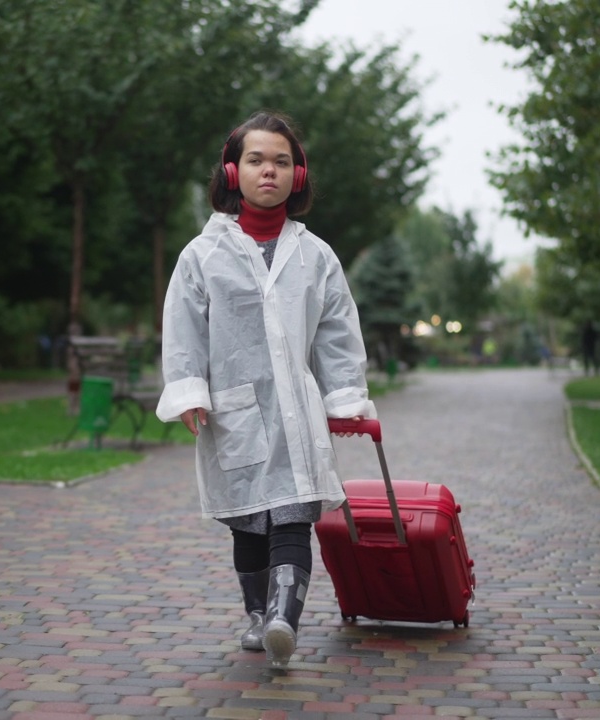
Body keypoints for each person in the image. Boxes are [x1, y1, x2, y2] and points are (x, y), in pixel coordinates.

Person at [155, 111, 375, 667]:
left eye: (282, 161)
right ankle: (257, 615)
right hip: (234, 409)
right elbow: (183, 327)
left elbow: (337, 329)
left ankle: (283, 619)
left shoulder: (316, 255)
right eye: (256, 160)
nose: (269, 171)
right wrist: (189, 391)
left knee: (295, 512)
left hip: (296, 408)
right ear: (233, 171)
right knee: (250, 518)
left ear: (297, 176)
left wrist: (345, 397)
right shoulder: (201, 255)